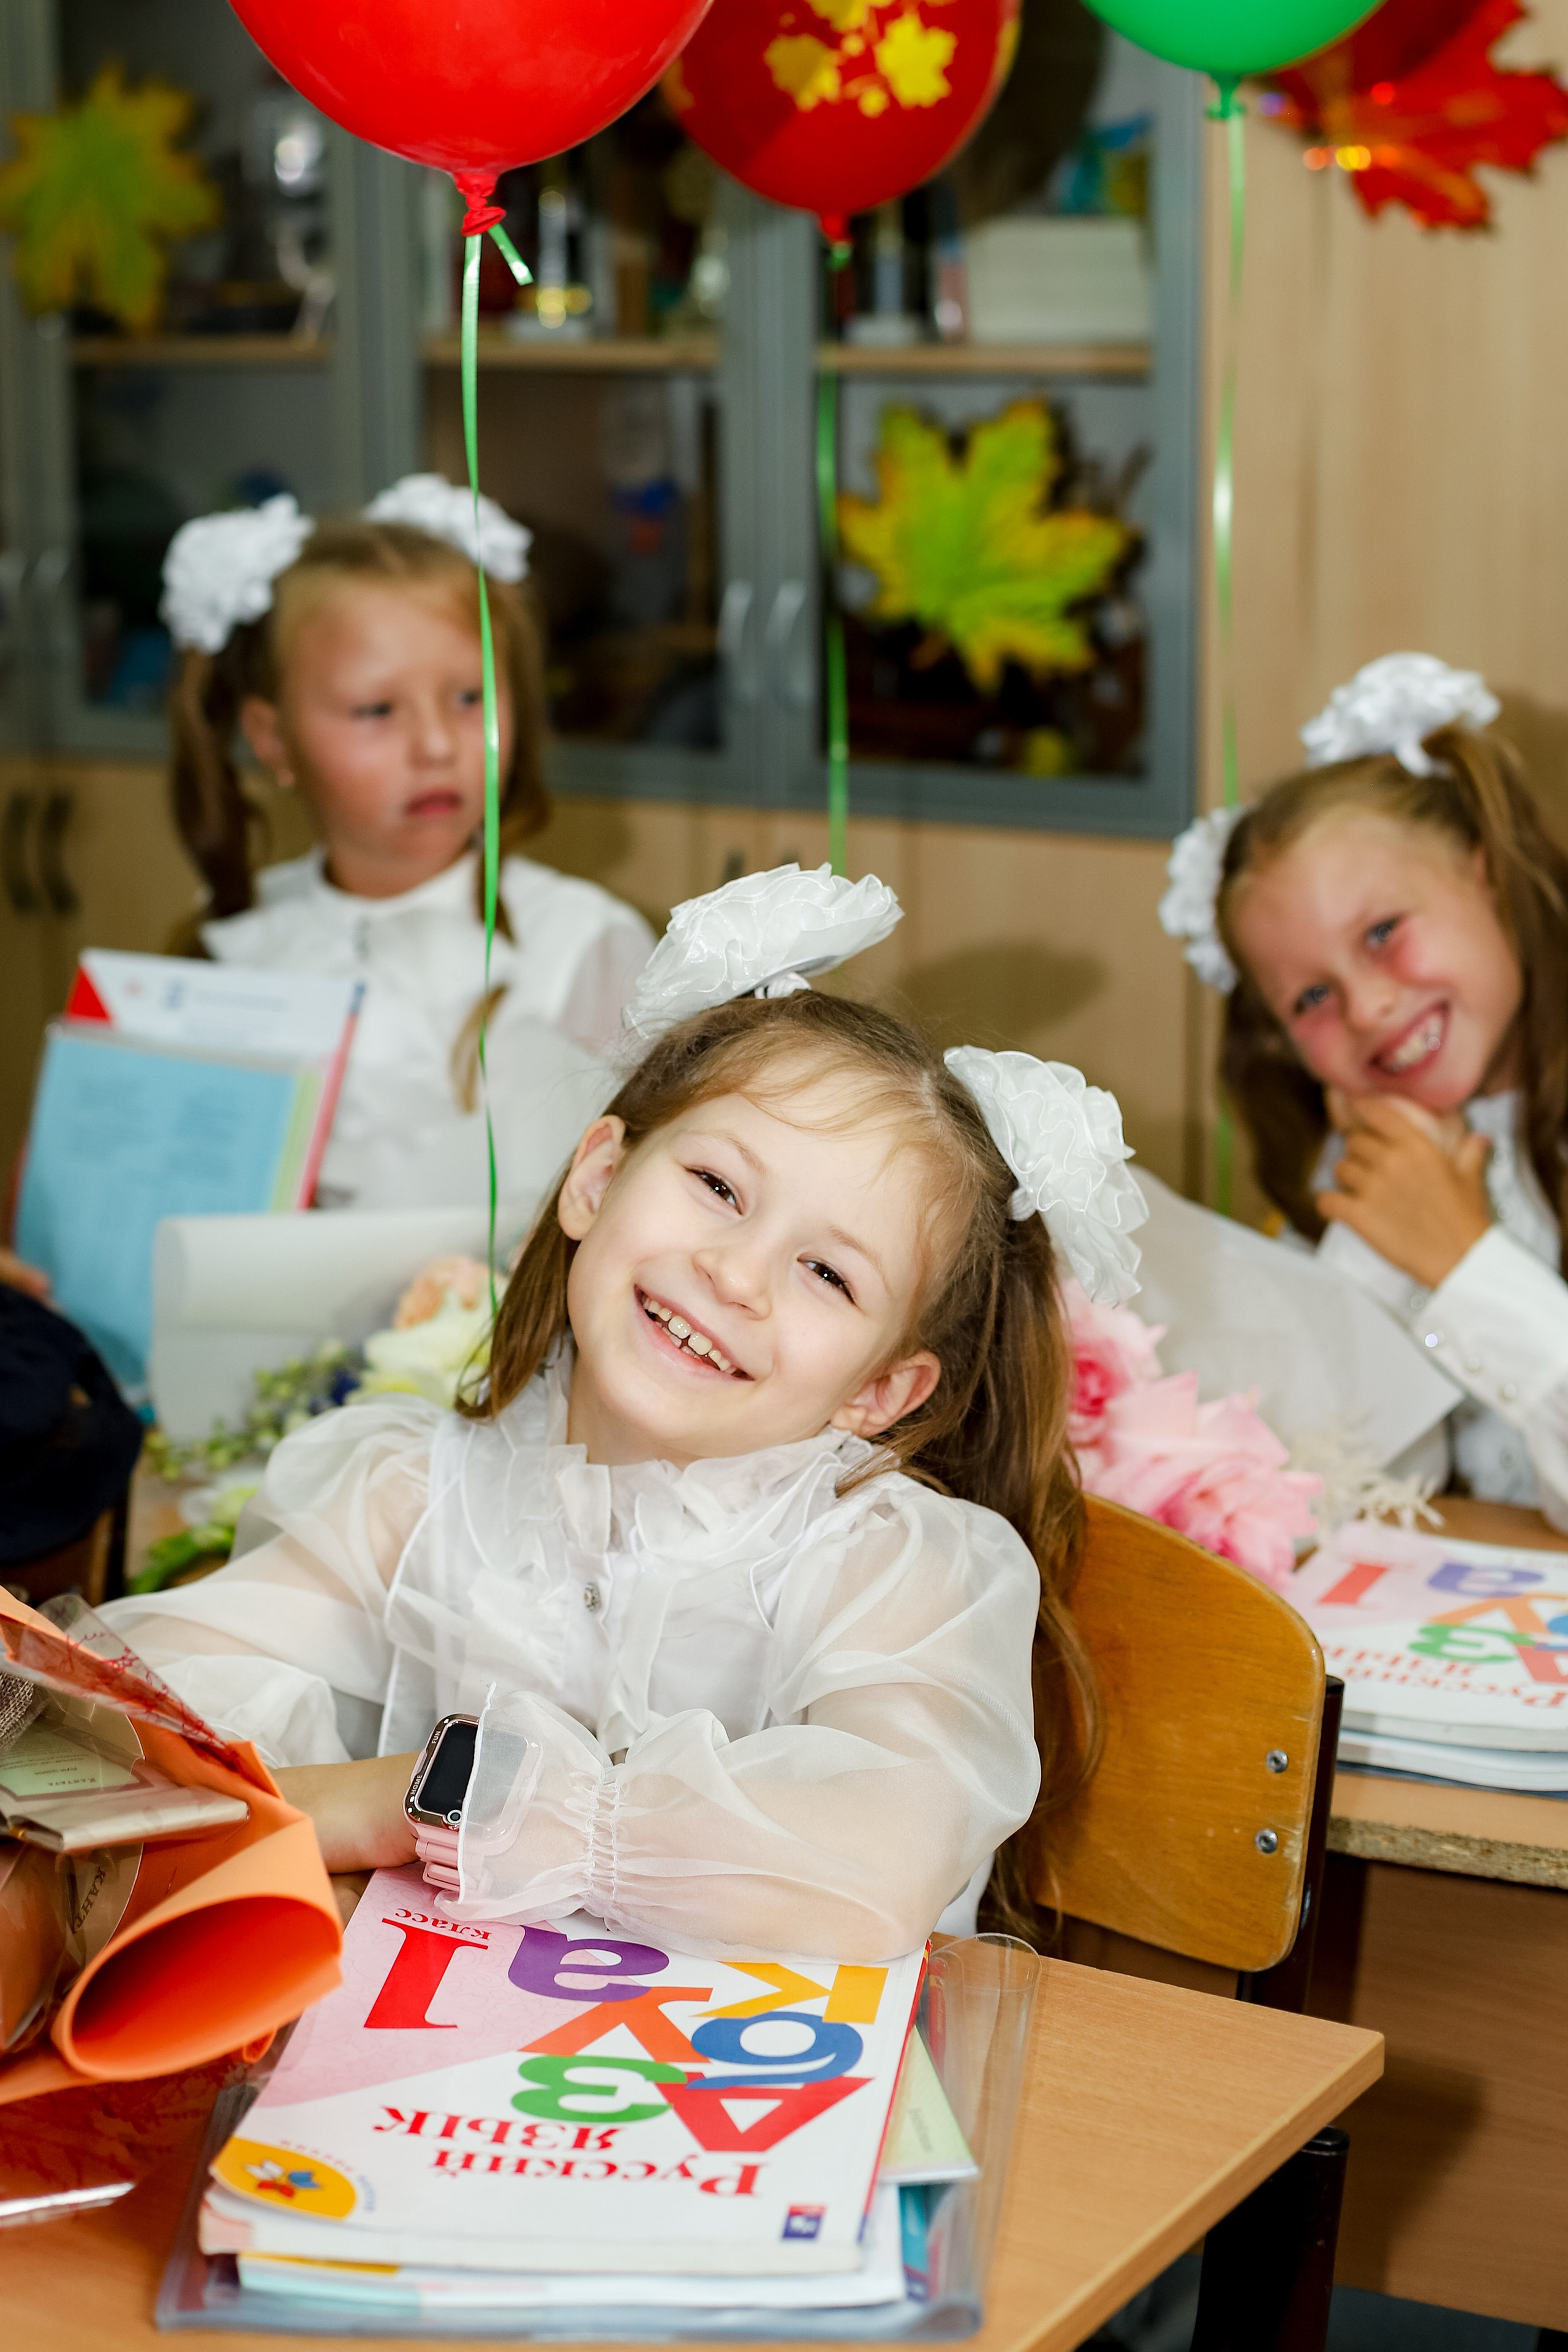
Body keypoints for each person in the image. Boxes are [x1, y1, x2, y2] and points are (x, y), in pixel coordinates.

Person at [102, 864, 1149, 1959]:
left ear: (878, 1392)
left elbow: (881, 1845)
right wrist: (343, 1796)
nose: (736, 1274)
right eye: (719, 1187)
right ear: (598, 1177)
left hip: (767, 2104)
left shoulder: (898, 1570)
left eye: (828, 1274)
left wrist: (445, 1801)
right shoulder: (409, 1496)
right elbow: (139, 1725)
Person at [160, 476, 654, 1211]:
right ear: (272, 738)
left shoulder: (586, 946)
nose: (435, 746)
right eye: (376, 709)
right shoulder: (230, 943)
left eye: (469, 697)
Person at [1160, 650, 1568, 1525]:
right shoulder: (1371, 1157)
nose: (1370, 1008)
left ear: (1483, 871)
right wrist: (1383, 1230)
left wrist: (1464, 1262)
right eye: (1311, 998)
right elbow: (1327, 1472)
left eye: (1382, 932)